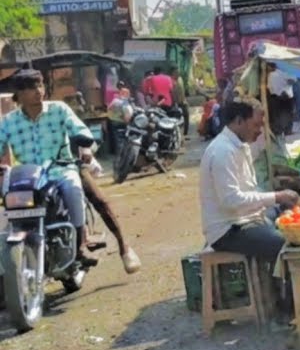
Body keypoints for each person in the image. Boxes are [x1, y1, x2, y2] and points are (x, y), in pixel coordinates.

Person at [0, 70, 141, 273]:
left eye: (40, 85)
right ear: (19, 94)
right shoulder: (8, 122)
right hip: (29, 177)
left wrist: (84, 145)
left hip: (62, 168)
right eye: (31, 88)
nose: (38, 91)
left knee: (81, 191)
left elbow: (80, 130)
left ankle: (102, 247)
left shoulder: (59, 109)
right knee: (9, 204)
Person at [200, 99, 299, 314]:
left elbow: (249, 191)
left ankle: (286, 294)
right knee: (288, 245)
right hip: (229, 230)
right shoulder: (222, 152)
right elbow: (231, 201)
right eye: (256, 125)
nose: (260, 130)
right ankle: (292, 307)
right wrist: (275, 197)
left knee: (294, 224)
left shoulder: (239, 146)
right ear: (238, 121)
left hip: (246, 218)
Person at [266, 63, 294, 138]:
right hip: (287, 96)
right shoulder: (286, 72)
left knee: (277, 115)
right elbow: (292, 81)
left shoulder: (271, 75)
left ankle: (279, 130)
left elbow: (269, 87)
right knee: (288, 114)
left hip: (276, 97)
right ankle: (288, 130)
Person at [168, 66, 190, 136]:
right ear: (172, 73)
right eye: (176, 72)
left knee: (186, 117)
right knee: (178, 120)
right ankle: (179, 135)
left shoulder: (180, 79)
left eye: (178, 72)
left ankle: (185, 134)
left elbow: (182, 91)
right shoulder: (170, 81)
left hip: (183, 102)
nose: (178, 73)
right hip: (175, 103)